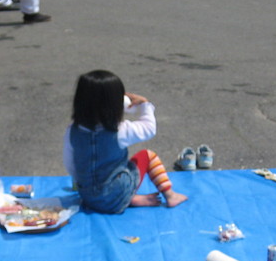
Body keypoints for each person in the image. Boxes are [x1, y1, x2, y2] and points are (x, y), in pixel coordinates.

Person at [63, 70, 188, 213]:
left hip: (88, 198)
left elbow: (70, 165)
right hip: (115, 193)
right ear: (117, 104)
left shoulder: (72, 130)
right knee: (147, 156)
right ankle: (170, 195)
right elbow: (149, 128)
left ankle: (127, 199)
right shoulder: (120, 131)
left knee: (101, 176)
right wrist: (144, 105)